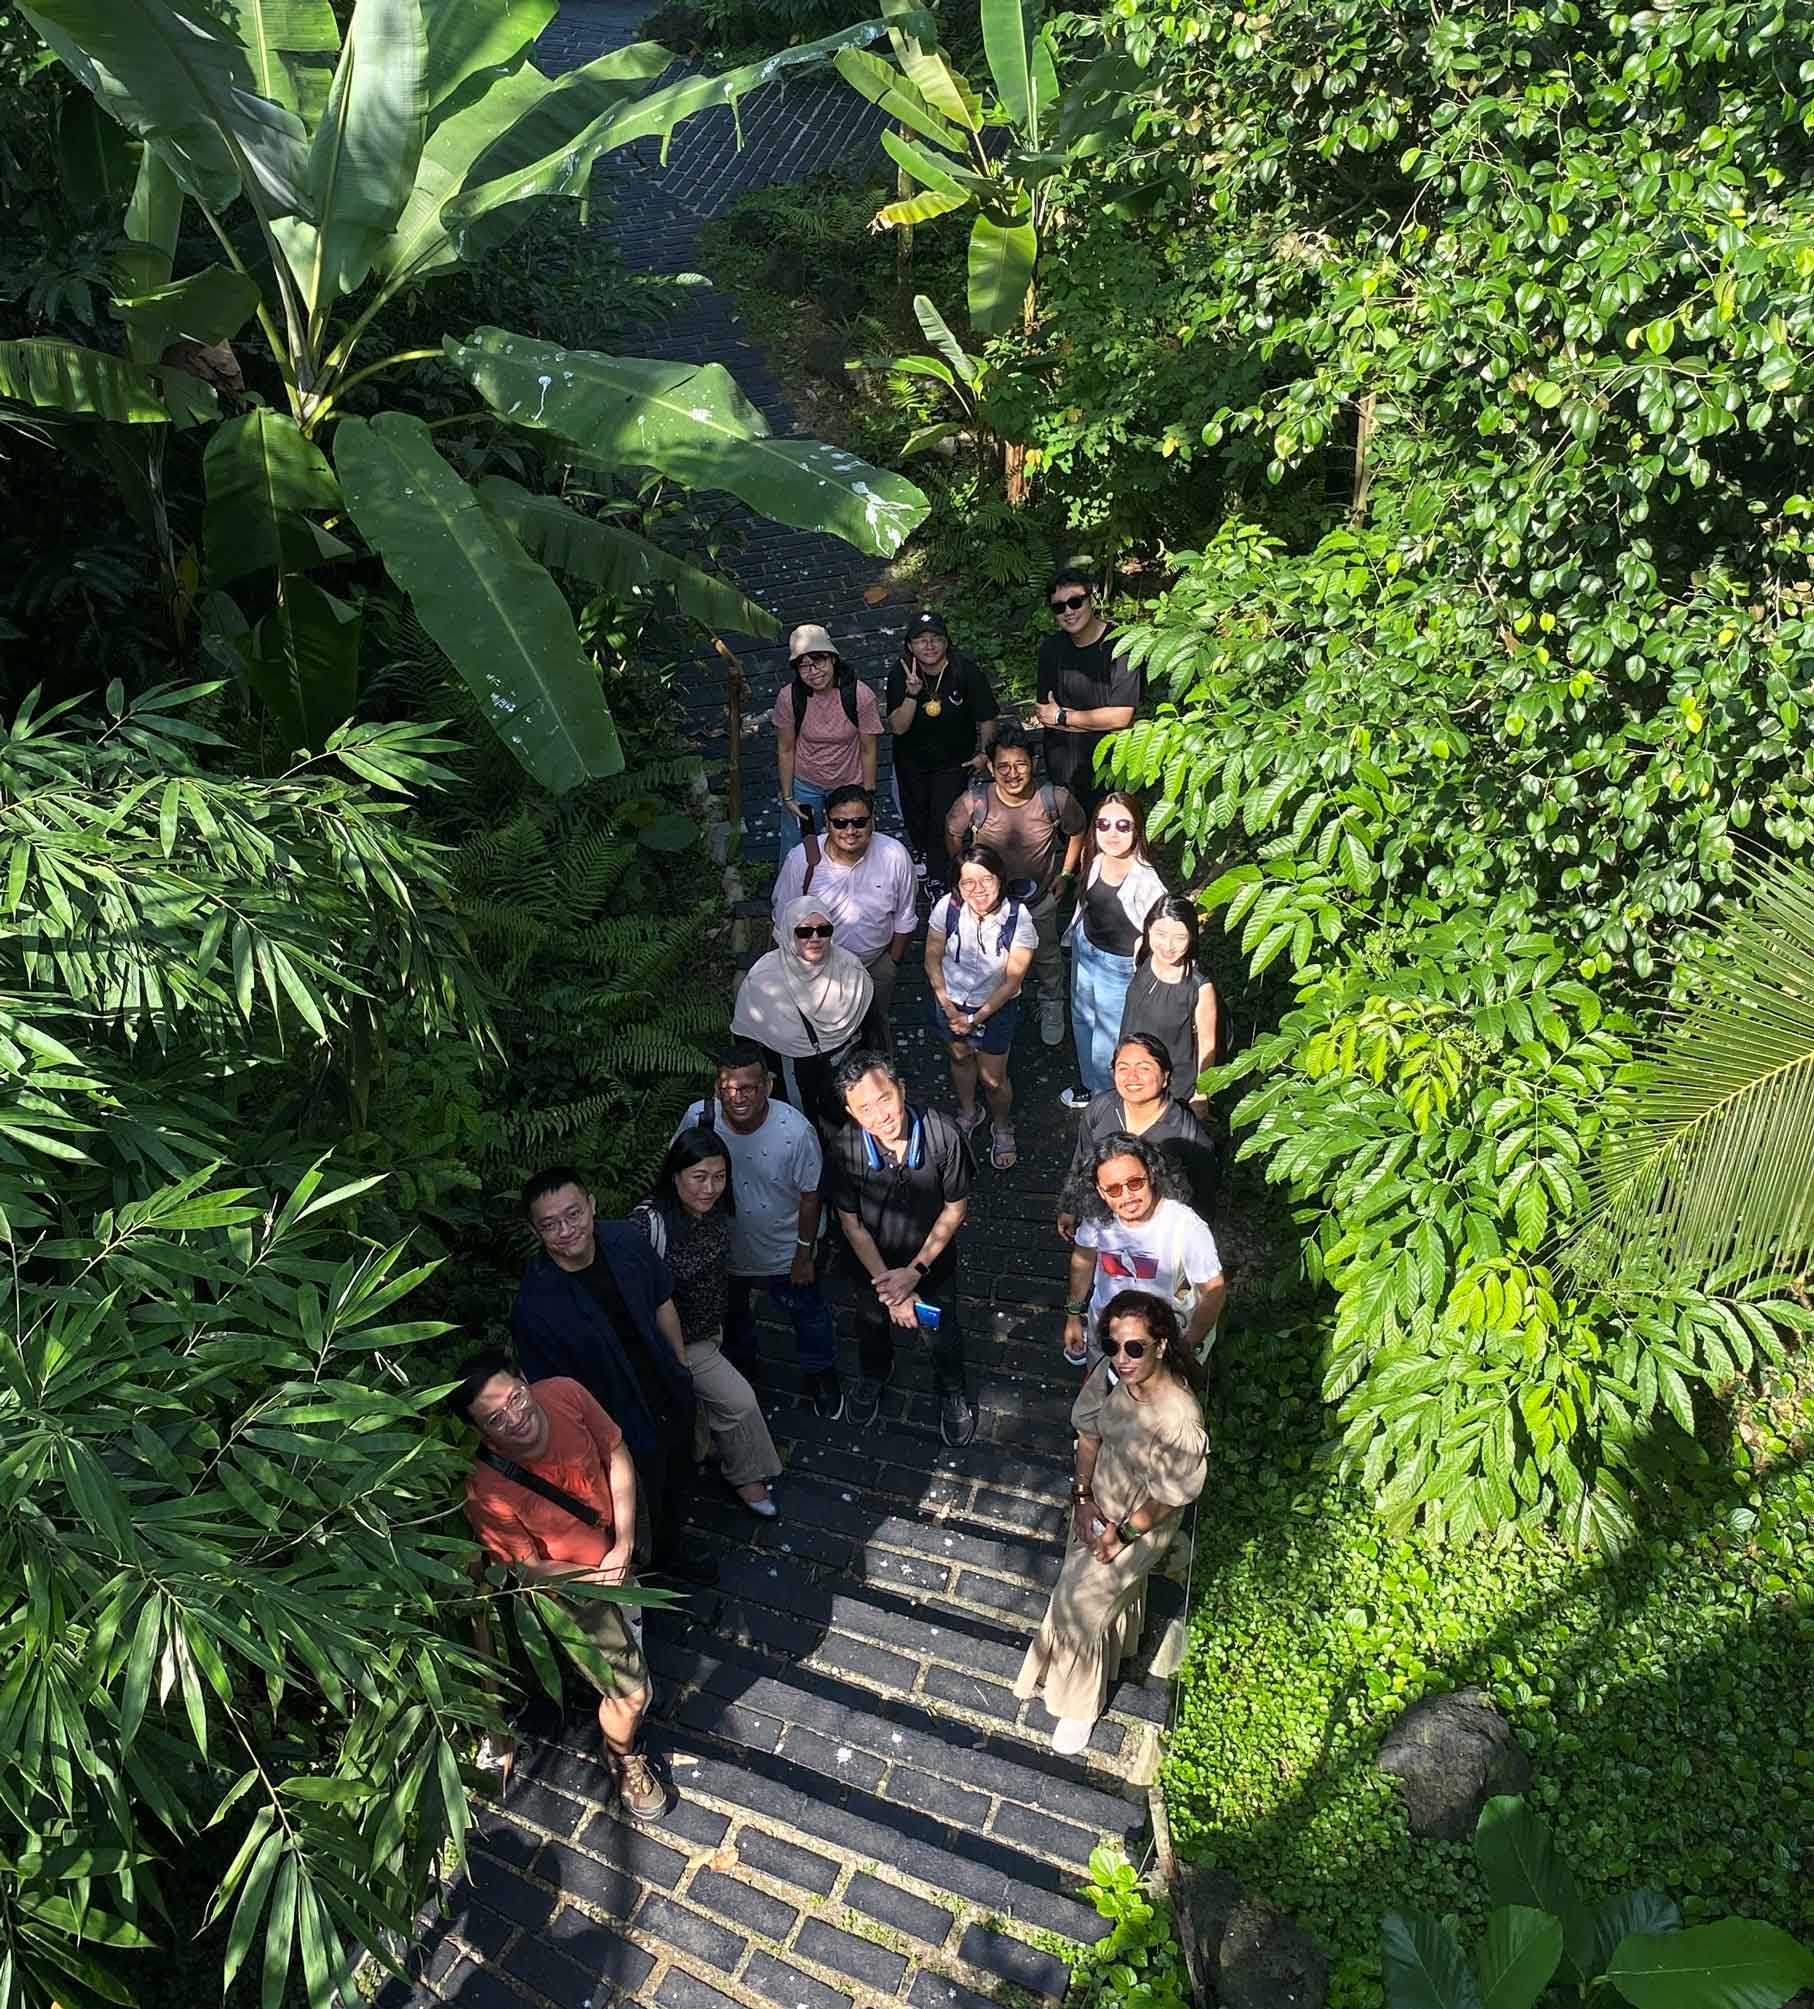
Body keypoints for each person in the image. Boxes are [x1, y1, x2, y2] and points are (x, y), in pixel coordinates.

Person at [452, 1351, 671, 1816]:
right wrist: (599, 1578)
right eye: (496, 1417)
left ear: (527, 1381)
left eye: (516, 1398)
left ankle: (630, 1641)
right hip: (575, 1593)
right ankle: (622, 1756)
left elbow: (615, 1453)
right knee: (632, 1695)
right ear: (479, 1430)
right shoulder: (487, 1490)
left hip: (619, 1545)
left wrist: (624, 1544)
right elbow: (527, 1570)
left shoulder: (566, 1394)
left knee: (635, 1633)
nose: (516, 1417)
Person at [1014, 1291, 1209, 1754]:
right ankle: (1118, 1649)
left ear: (1161, 1345)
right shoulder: (1112, 1378)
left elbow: (1167, 1498)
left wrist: (1120, 1537)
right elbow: (1088, 1434)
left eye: (1136, 1347)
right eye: (1114, 1346)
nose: (1123, 1359)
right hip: (1099, 1500)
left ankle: (1079, 1707)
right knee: (1087, 1595)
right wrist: (1081, 1498)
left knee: (1078, 1607)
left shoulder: (1179, 1416)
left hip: (1139, 1521)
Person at [512, 1168, 701, 1576]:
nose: (566, 1230)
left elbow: (662, 1300)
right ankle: (656, 1567)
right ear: (536, 1231)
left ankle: (676, 1545)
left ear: (592, 1206)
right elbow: (553, 1392)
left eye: (574, 1214)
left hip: (664, 1384)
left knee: (678, 1470)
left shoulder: (624, 1240)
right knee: (642, 1493)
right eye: (550, 1224)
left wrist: (680, 1367)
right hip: (614, 1419)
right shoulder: (535, 1303)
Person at [677, 1045, 844, 1420]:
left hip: (785, 1252)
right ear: (717, 1088)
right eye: (729, 1088)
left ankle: (821, 1372)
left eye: (749, 1088)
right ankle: (743, 1371)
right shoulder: (700, 1119)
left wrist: (804, 1254)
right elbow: (679, 1171)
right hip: (724, 1252)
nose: (738, 1098)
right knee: (733, 1320)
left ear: (768, 1086)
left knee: (809, 1316)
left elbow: (810, 1194)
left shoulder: (795, 1132)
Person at [824, 1050, 977, 1446]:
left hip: (931, 1263)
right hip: (870, 1268)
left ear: (901, 1090)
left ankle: (952, 1389)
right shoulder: (845, 1150)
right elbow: (851, 1224)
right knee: (871, 1326)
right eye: (866, 1109)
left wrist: (915, 1272)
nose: (881, 1116)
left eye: (885, 1099)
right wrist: (890, 1290)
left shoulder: (942, 1135)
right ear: (851, 1112)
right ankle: (875, 1374)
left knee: (941, 1330)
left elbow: (954, 1208)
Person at [630, 1127, 783, 1518]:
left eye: (719, 1176)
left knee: (701, 1407)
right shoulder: (648, 1226)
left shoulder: (713, 1209)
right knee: (739, 1401)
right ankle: (748, 1476)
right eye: (698, 1177)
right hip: (680, 1342)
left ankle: (706, 1452)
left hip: (712, 1329)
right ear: (675, 1175)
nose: (709, 1187)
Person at [944, 724, 1085, 1047]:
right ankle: (994, 1008)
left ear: (1033, 763)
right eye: (1003, 766)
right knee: (990, 959)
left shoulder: (1054, 799)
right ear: (991, 767)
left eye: (1020, 764)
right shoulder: (975, 803)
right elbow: (952, 832)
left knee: (1048, 957)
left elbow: (1078, 831)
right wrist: (966, 876)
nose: (1012, 774)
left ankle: (1051, 1003)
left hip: (1040, 899)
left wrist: (1065, 874)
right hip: (990, 905)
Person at [768, 784, 916, 1046]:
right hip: (818, 973)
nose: (850, 831)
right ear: (826, 821)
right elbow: (782, 922)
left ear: (874, 820)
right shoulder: (801, 860)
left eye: (859, 822)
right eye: (840, 823)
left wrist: (890, 964)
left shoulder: (894, 856)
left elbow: (905, 916)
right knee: (821, 1040)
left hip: (874, 967)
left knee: (876, 1032)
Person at [1062, 1134, 1224, 1368]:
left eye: (1135, 1183)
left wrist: (1185, 1347)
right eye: (1114, 1189)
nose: (1127, 1196)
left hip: (1160, 1344)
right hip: (1107, 1336)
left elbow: (1214, 1292)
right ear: (1100, 1191)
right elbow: (1083, 1261)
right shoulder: (1097, 1219)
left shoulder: (1186, 1227)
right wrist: (1073, 1316)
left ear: (1151, 1174)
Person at [924, 844, 1037, 1172]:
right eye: (967, 883)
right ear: (957, 886)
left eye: (986, 880)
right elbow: (932, 956)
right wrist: (947, 1004)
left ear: (1000, 878)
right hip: (951, 1001)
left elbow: (1012, 981)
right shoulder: (947, 908)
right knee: (959, 1057)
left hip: (994, 1007)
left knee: (994, 1078)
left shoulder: (1018, 918)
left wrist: (975, 1018)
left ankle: (1001, 1125)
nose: (978, 890)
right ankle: (969, 1111)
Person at [732, 893, 873, 1131]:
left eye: (823, 930)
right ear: (789, 934)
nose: (815, 938)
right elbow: (748, 1044)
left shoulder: (850, 969)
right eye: (804, 932)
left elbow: (871, 1030)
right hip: (791, 1084)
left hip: (843, 1080)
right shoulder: (763, 979)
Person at [1064, 791, 1167, 1106]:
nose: (1112, 833)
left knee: (1106, 1041)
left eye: (1123, 826)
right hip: (1087, 951)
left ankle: (1105, 1103)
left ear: (1138, 831)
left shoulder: (1146, 879)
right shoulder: (1094, 859)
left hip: (1118, 966)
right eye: (1103, 824)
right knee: (1082, 1020)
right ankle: (1089, 1085)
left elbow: (1162, 928)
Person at [1058, 1033, 1219, 1235]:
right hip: (1106, 1230)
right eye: (1123, 1068)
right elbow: (1082, 1161)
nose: (1132, 1077)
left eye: (1144, 1068)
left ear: (1165, 1076)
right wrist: (1070, 1206)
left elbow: (1202, 1205)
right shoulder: (1100, 1109)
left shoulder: (1188, 1138)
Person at [886, 608, 998, 895]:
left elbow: (986, 716)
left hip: (953, 762)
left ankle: (940, 876)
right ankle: (925, 853)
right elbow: (897, 727)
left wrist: (985, 753)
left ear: (947, 641)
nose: (929, 645)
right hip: (911, 762)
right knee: (916, 816)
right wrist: (912, 693)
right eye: (920, 640)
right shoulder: (900, 674)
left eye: (935, 638)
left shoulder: (965, 671)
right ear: (910, 645)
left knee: (942, 819)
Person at [1031, 564, 1139, 807]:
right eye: (1059, 607)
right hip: (1063, 771)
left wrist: (1062, 717)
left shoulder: (1121, 645)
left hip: (1111, 768)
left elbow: (1121, 716)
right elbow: (1043, 713)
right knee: (1070, 841)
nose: (1068, 611)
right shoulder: (1051, 649)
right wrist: (1097, 722)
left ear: (1091, 600)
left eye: (1075, 602)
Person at [775, 623, 882, 861]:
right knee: (799, 845)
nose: (813, 672)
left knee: (852, 841)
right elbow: (785, 748)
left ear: (833, 659)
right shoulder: (789, 697)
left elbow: (868, 748)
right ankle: (792, 895)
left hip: (848, 781)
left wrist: (868, 794)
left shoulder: (859, 695)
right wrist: (788, 797)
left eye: (819, 661)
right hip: (806, 783)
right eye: (804, 666)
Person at [1119, 896, 1218, 1111]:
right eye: (1160, 934)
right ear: (1148, 929)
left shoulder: (1199, 988)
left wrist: (1202, 1094)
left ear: (1191, 937)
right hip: (1133, 1073)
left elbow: (1207, 1047)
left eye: (1180, 937)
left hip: (1172, 1086)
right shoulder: (1142, 952)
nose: (1168, 946)